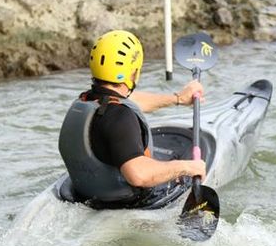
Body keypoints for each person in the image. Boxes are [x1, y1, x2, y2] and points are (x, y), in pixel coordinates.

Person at [58, 30, 206, 207]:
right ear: (133, 73)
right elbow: (138, 175)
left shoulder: (86, 101)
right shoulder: (120, 117)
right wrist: (188, 167)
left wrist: (178, 99)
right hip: (125, 205)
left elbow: (132, 102)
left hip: (87, 195)